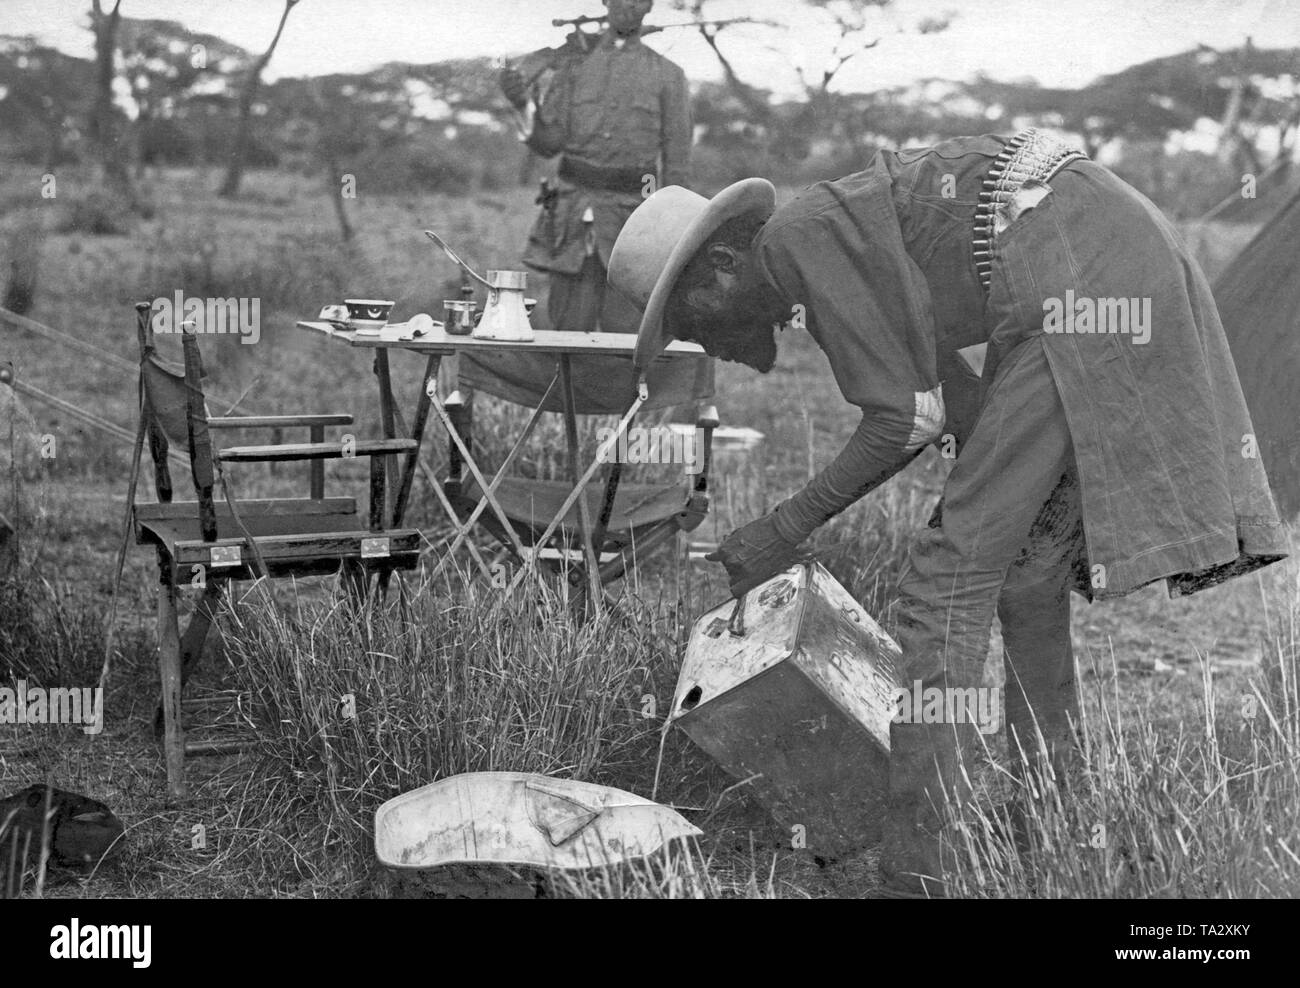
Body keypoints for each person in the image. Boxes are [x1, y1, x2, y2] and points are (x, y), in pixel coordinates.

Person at [606, 131, 1289, 897]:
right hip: (1094, 253)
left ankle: (926, 868)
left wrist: (782, 528)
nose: (704, 341)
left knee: (942, 586)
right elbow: (951, 401)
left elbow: (905, 421)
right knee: (1023, 575)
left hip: (1071, 275)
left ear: (725, 265)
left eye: (691, 314)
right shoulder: (825, 245)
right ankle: (1052, 813)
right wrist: (977, 507)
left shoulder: (802, 242)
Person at [499, 0, 692, 333]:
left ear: (648, 7)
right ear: (605, 2)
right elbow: (550, 144)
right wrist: (521, 101)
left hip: (633, 222)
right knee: (567, 328)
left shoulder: (669, 75)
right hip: (573, 217)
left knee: (628, 333)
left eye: (637, 0)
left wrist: (669, 231)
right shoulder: (573, 67)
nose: (627, 7)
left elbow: (676, 163)